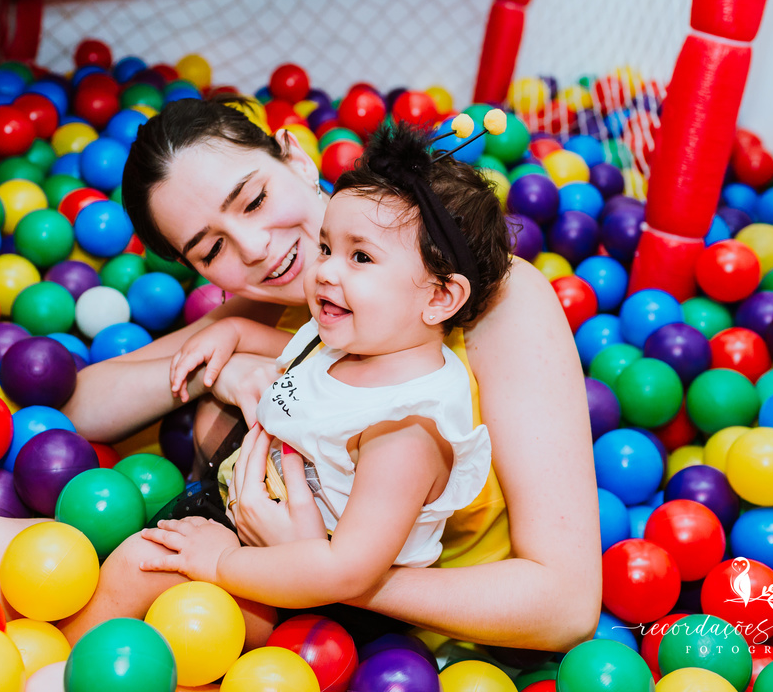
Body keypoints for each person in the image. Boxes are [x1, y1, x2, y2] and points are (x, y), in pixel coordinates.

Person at [0, 96, 601, 653]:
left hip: (399, 641)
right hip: (257, 571)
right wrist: (228, 370)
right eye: (211, 248)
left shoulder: (495, 300)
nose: (257, 249)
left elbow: (565, 603)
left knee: (132, 597)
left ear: (298, 159)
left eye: (252, 200)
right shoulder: (290, 305)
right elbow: (83, 403)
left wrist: (320, 571)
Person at [134, 121, 509, 613]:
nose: (325, 270)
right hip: (246, 520)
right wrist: (233, 332)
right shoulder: (356, 337)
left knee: (139, 570)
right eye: (328, 248)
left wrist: (221, 562)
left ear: (440, 296)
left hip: (318, 596)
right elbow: (296, 350)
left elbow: (344, 570)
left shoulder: (407, 425)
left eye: (360, 257)